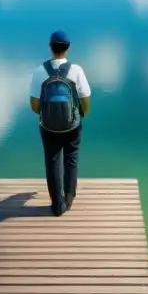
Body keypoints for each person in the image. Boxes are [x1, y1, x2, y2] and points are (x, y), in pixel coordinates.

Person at [29, 30, 91, 216]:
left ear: (50, 47)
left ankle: (57, 205)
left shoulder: (40, 71)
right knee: (71, 158)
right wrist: (77, 116)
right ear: (68, 48)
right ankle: (69, 196)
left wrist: (48, 116)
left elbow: (34, 105)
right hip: (72, 125)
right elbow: (86, 102)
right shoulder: (76, 70)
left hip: (47, 127)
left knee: (52, 161)